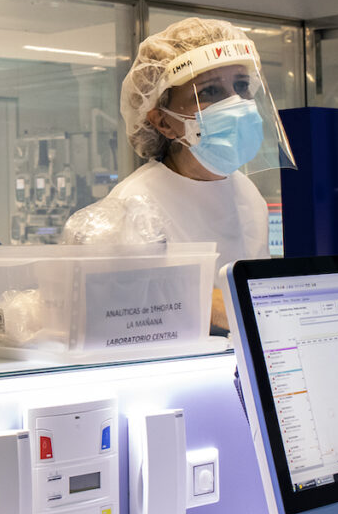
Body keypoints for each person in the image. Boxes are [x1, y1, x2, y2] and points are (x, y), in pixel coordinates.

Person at [72, 17, 293, 331]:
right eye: (210, 91)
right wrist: (204, 305)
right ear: (163, 122)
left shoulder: (247, 194)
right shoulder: (133, 206)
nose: (236, 103)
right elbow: (117, 321)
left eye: (242, 86)